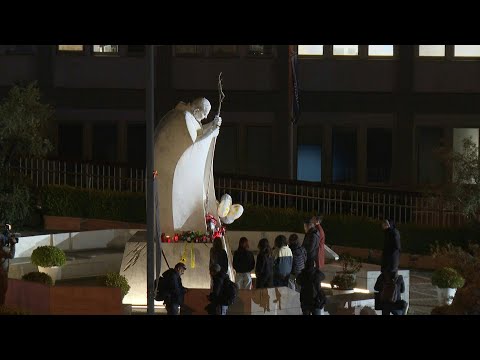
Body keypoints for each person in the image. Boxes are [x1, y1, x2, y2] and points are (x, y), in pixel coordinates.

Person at [155, 97, 222, 236]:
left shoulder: (188, 116)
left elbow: (198, 133)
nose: (203, 119)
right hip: (172, 173)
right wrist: (212, 133)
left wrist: (212, 126)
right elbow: (194, 146)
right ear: (197, 110)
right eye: (203, 116)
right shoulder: (184, 117)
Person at [0, 225, 16, 305]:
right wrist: (13, 244)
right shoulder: (3, 249)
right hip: (2, 274)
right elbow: (11, 255)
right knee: (3, 292)